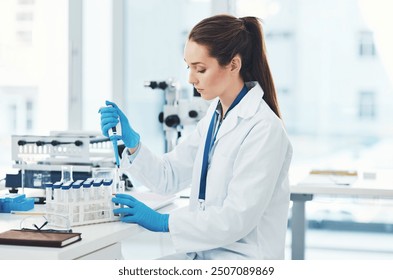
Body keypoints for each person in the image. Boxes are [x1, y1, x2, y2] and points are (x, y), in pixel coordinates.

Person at [99, 14, 293, 260]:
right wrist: (133, 143)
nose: (191, 79)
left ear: (233, 65)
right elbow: (168, 176)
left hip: (242, 261)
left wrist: (165, 222)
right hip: (204, 254)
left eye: (200, 69)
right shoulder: (216, 115)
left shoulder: (264, 128)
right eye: (188, 67)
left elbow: (236, 218)